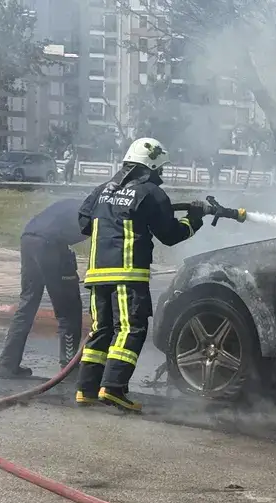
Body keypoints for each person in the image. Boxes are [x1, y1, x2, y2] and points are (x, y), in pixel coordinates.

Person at [75, 137, 204, 413]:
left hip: (97, 275)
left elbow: (84, 223)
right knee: (130, 329)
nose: (161, 175)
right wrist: (193, 221)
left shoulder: (101, 190)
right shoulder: (150, 193)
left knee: (101, 330)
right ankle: (113, 388)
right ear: (152, 165)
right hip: (127, 274)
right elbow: (170, 235)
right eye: (160, 169)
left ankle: (86, 390)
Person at [0, 199, 86, 378]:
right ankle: (68, 367)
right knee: (68, 310)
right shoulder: (95, 209)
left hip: (28, 239)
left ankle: (6, 364)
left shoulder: (70, 203)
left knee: (27, 303)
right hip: (50, 244)